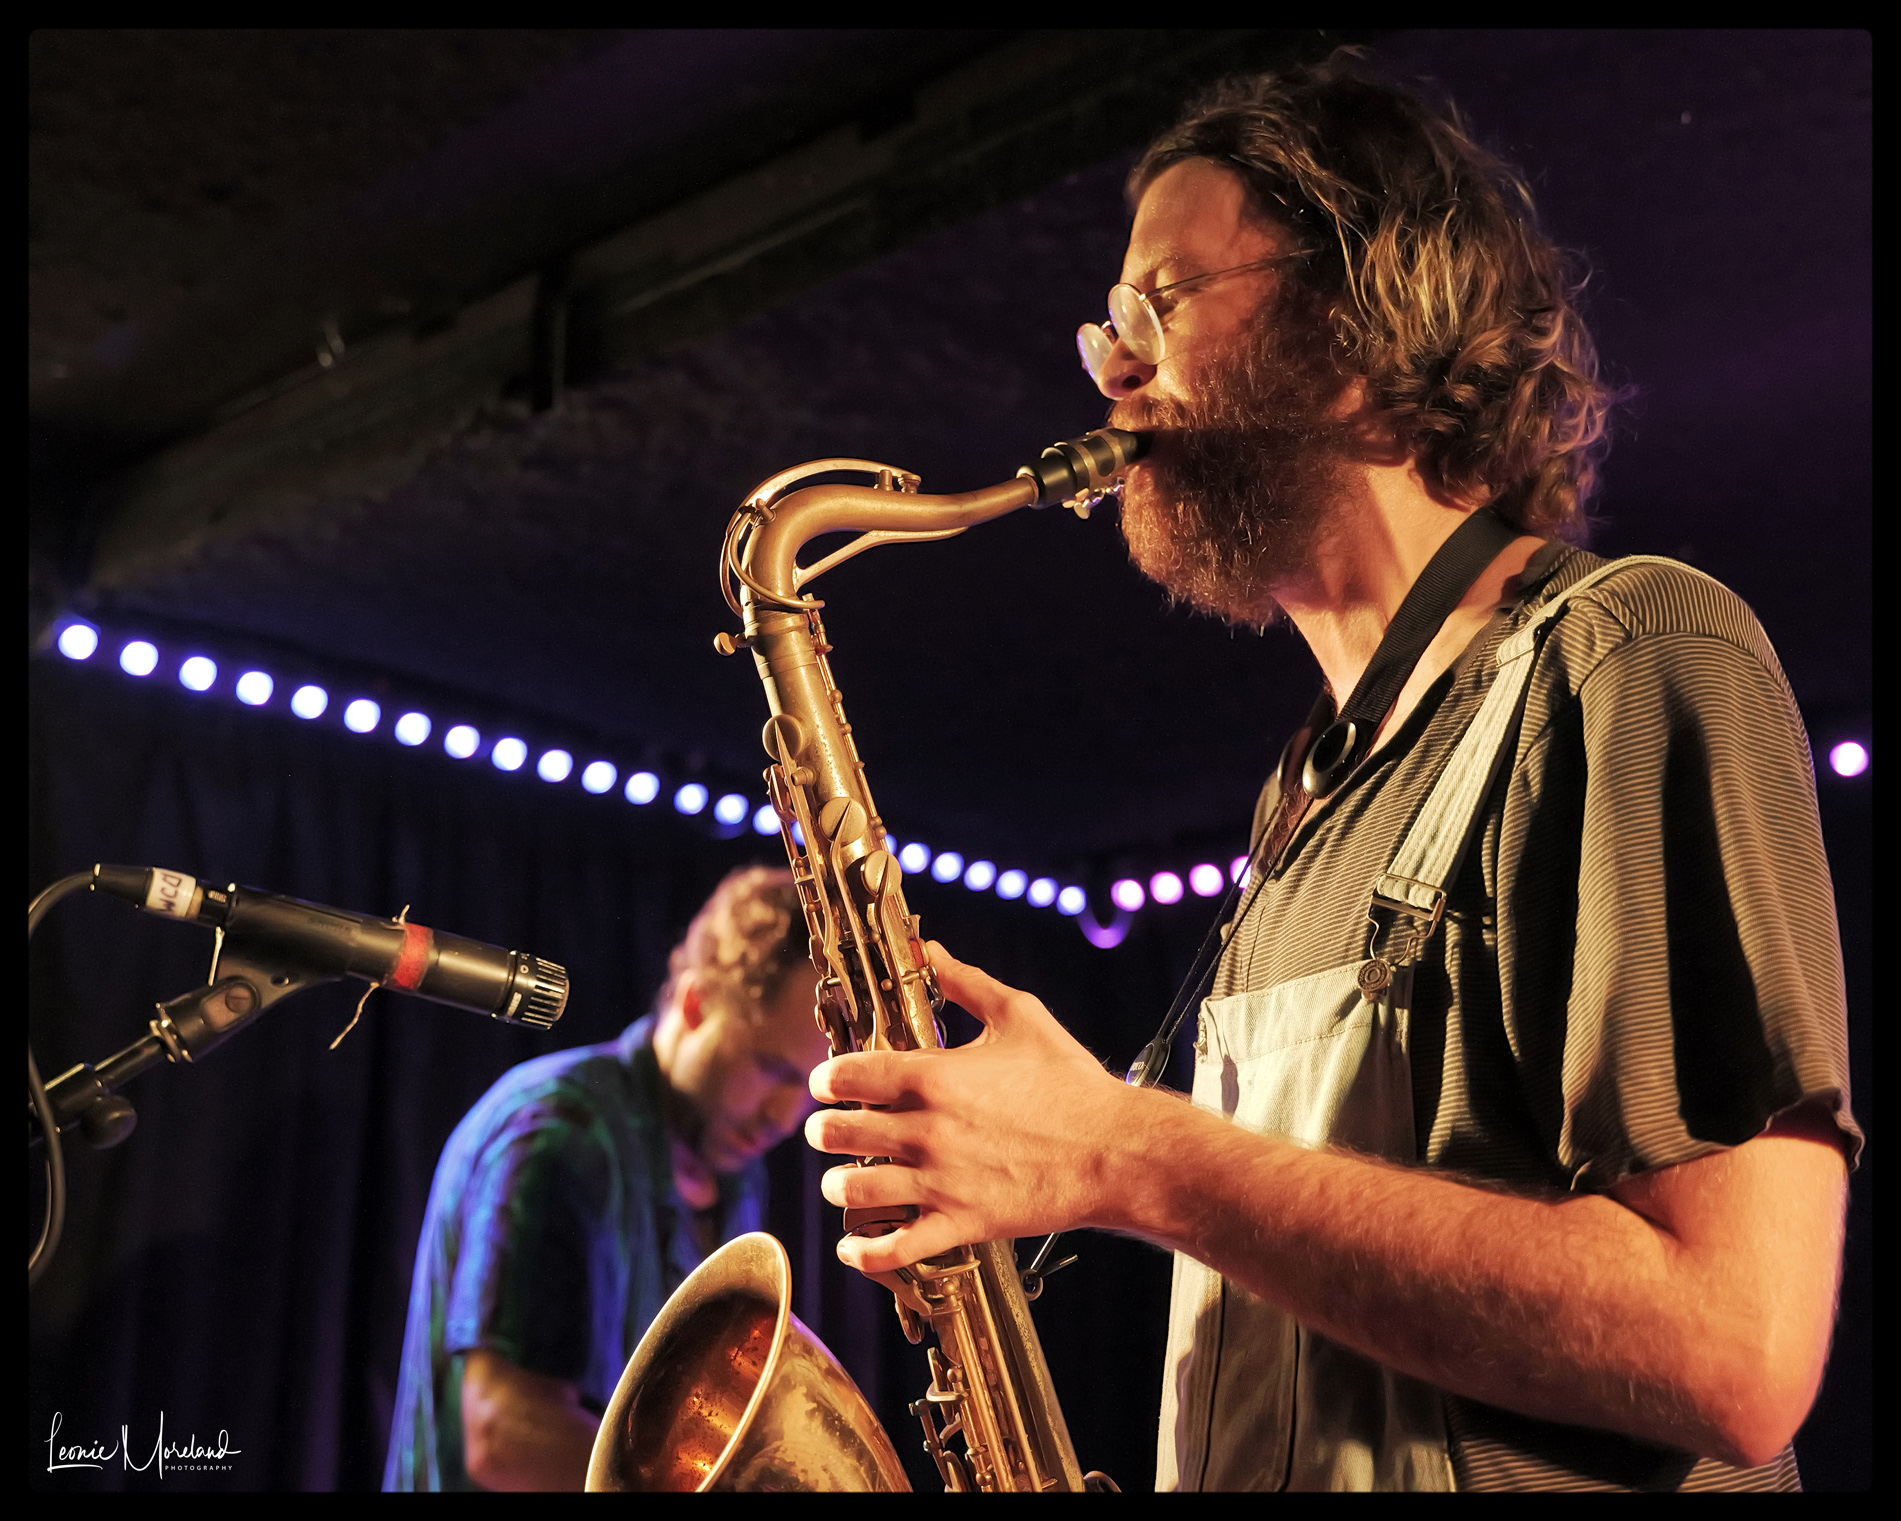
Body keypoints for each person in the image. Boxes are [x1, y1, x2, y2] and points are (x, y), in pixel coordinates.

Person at [805, 59, 1861, 1491]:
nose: (1111, 367)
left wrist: (1126, 1155)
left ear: (1363, 319)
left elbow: (1734, 1349)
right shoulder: (1304, 793)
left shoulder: (1627, 652)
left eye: (1160, 303)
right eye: (1108, 321)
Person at [383, 866, 828, 1491]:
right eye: (770, 1069)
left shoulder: (737, 1174)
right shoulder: (560, 1131)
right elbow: (504, 1437)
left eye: (807, 1087)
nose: (786, 1116)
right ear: (696, 1002)